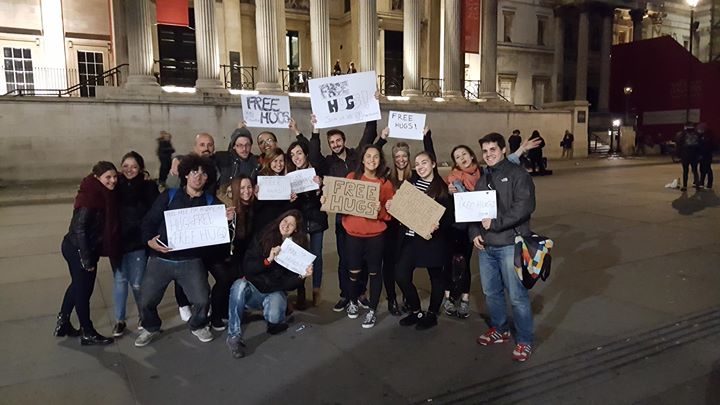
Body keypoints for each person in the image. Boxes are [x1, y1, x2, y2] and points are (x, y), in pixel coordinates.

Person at [135, 154, 234, 347]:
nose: (198, 176)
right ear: (186, 175)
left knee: (202, 300)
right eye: (194, 172)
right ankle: (150, 326)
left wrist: (226, 223)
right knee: (146, 300)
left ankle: (198, 325)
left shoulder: (211, 203)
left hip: (191, 261)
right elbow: (149, 221)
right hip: (162, 259)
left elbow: (221, 239)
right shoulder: (169, 196)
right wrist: (149, 241)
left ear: (208, 178)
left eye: (203, 174)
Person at [470, 132, 537, 362]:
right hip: (486, 246)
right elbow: (474, 210)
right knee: (491, 293)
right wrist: (474, 233)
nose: (488, 155)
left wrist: (495, 224)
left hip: (510, 244)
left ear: (503, 150)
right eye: (485, 151)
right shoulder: (483, 177)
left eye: (493, 150)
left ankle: (525, 340)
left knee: (517, 296)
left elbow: (525, 207)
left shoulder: (518, 174)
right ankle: (500, 329)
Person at [226, 210, 313, 359]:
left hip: (275, 291)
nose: (286, 226)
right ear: (280, 220)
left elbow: (289, 285)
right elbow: (248, 267)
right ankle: (234, 336)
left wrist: (301, 276)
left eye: (291, 225)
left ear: (296, 230)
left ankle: (276, 316)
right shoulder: (263, 236)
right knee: (239, 285)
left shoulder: (298, 249)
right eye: (285, 221)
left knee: (274, 320)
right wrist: (267, 260)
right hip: (254, 288)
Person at [315, 117, 378, 313]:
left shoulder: (356, 156)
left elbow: (369, 136)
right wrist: (314, 131)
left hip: (363, 216)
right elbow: (314, 155)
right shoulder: (327, 163)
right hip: (342, 217)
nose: (335, 145)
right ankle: (346, 295)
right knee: (344, 259)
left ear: (343, 140)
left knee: (363, 259)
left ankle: (360, 293)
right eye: (331, 142)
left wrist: (371, 113)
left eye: (338, 141)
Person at [55, 161, 120, 345]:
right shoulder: (90, 198)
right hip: (78, 248)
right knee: (84, 290)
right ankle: (87, 331)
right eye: (108, 177)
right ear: (96, 177)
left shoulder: (101, 191)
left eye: (115, 176)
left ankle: (63, 322)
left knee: (77, 285)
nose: (113, 181)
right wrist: (86, 259)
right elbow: (80, 229)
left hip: (77, 246)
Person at [375, 126, 435, 315]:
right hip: (390, 226)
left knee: (404, 265)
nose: (401, 159)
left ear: (409, 158)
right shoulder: (386, 175)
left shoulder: (416, 176)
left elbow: (430, 159)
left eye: (404, 156)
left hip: (409, 227)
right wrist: (382, 139)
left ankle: (408, 298)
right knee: (389, 263)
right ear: (393, 159)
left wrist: (427, 137)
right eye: (397, 156)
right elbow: (371, 156)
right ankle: (392, 297)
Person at [393, 151, 452, 330]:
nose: (420, 167)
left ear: (433, 164)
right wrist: (393, 206)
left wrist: (438, 224)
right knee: (401, 275)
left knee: (436, 277)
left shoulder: (442, 188)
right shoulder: (410, 184)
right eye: (417, 164)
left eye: (424, 163)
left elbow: (449, 218)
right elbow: (401, 209)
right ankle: (416, 310)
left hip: (432, 242)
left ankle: (432, 313)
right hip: (410, 239)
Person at [340, 144, 395, 328]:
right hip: (353, 234)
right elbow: (342, 205)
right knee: (354, 271)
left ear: (380, 161)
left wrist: (380, 212)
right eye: (368, 156)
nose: (372, 160)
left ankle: (372, 310)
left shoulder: (385, 184)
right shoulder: (351, 178)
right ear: (362, 159)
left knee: (374, 272)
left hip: (375, 235)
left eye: (376, 157)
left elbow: (391, 212)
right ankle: (353, 301)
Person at [111, 151, 159, 337]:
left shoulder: (148, 187)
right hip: (118, 242)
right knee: (120, 281)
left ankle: (144, 316)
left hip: (138, 241)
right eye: (125, 166)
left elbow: (154, 212)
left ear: (141, 169)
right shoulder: (114, 186)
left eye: (134, 166)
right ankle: (119, 320)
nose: (129, 170)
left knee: (138, 283)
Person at [287, 118, 327, 308]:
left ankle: (316, 289)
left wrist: (321, 188)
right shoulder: (289, 175)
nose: (296, 156)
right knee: (300, 255)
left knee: (316, 255)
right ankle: (301, 289)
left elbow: (312, 144)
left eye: (299, 153)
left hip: (317, 219)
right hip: (301, 221)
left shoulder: (316, 169)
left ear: (305, 154)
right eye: (293, 154)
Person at [253, 147, 297, 233]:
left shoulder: (287, 180)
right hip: (263, 224)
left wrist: (291, 201)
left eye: (281, 161)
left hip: (280, 224)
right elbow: (254, 208)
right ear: (269, 162)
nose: (279, 164)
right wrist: (256, 197)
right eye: (275, 161)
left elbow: (288, 210)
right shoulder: (259, 178)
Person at [217, 122, 259, 186]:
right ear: (234, 146)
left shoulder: (256, 162)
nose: (244, 149)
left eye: (247, 145)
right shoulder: (222, 158)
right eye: (240, 145)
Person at [676, 124, 700, 191]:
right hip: (694, 155)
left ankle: (685, 186)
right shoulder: (697, 134)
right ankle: (697, 184)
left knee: (685, 171)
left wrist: (678, 155)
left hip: (685, 154)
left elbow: (679, 145)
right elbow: (699, 145)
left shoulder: (682, 134)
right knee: (694, 170)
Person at [698, 123, 713, 190]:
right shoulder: (701, 135)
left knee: (707, 169)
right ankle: (701, 182)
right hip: (703, 155)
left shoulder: (707, 136)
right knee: (702, 169)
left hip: (706, 155)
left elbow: (705, 146)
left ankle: (709, 184)